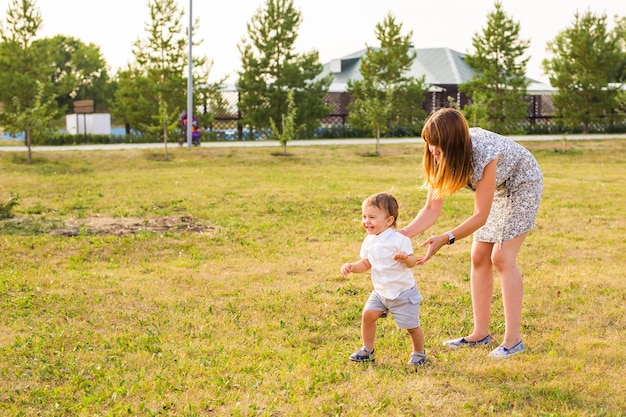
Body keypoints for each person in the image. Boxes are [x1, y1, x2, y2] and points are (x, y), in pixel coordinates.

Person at [399, 107, 543, 358]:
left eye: (438, 145)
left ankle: (513, 341)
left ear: (453, 143)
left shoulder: (483, 154)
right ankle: (480, 335)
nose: (433, 150)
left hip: (523, 183)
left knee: (501, 258)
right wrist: (405, 234)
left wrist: (447, 238)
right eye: (430, 143)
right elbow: (432, 207)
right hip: (499, 188)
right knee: (478, 256)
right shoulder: (437, 155)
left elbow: (480, 215)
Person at [341, 192, 427, 367]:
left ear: (388, 221)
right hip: (380, 292)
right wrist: (352, 267)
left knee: (411, 326)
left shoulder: (399, 240)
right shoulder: (369, 241)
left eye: (372, 217)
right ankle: (367, 350)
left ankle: (419, 353)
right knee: (367, 315)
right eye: (364, 216)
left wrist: (405, 258)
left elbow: (412, 262)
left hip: (402, 292)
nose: (366, 221)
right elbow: (365, 264)